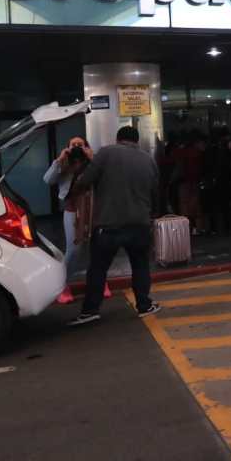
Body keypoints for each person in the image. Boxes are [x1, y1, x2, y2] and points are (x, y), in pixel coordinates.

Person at [67, 126, 161, 326]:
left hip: (108, 225)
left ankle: (90, 310)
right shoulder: (148, 160)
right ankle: (144, 305)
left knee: (98, 269)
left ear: (118, 139)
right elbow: (155, 192)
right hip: (139, 224)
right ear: (136, 141)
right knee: (140, 266)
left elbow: (84, 182)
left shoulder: (105, 153)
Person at [44, 136, 111, 304]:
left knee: (98, 249)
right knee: (74, 250)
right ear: (67, 147)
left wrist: (92, 159)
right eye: (73, 145)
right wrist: (60, 160)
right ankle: (62, 285)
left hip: (94, 210)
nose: (76, 147)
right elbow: (48, 179)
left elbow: (107, 178)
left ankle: (100, 282)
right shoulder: (64, 163)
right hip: (72, 210)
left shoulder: (93, 162)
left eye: (80, 145)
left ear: (86, 147)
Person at [203, 130, 231, 236]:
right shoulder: (226, 151)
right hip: (225, 181)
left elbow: (206, 167)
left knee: (213, 206)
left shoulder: (208, 151)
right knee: (225, 206)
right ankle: (227, 227)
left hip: (213, 181)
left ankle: (214, 228)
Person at [172, 132, 206, 235]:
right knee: (195, 206)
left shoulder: (181, 152)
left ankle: (186, 229)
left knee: (184, 206)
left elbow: (177, 166)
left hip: (184, 182)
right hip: (195, 181)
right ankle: (197, 228)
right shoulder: (197, 152)